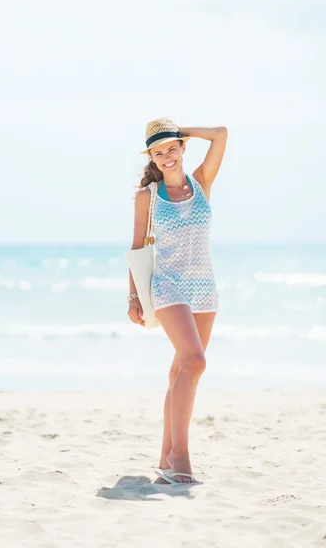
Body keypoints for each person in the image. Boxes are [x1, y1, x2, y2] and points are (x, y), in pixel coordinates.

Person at [127, 117, 227, 484]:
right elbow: (137, 248)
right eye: (159, 152)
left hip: (204, 287)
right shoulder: (147, 198)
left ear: (183, 148)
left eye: (172, 147)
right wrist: (134, 296)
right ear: (152, 159)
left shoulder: (201, 183)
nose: (167, 156)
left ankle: (165, 457)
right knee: (195, 362)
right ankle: (180, 454)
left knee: (179, 370)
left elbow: (221, 135)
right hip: (168, 285)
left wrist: (181, 128)